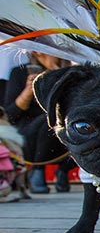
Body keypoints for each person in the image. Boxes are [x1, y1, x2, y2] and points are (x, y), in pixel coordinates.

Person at [3, 52, 76, 194]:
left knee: (79, 125)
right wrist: (28, 92)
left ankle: (62, 172)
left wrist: (58, 75)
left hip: (64, 133)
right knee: (50, 118)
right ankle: (37, 171)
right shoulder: (21, 72)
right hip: (30, 134)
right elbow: (10, 115)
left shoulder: (70, 73)